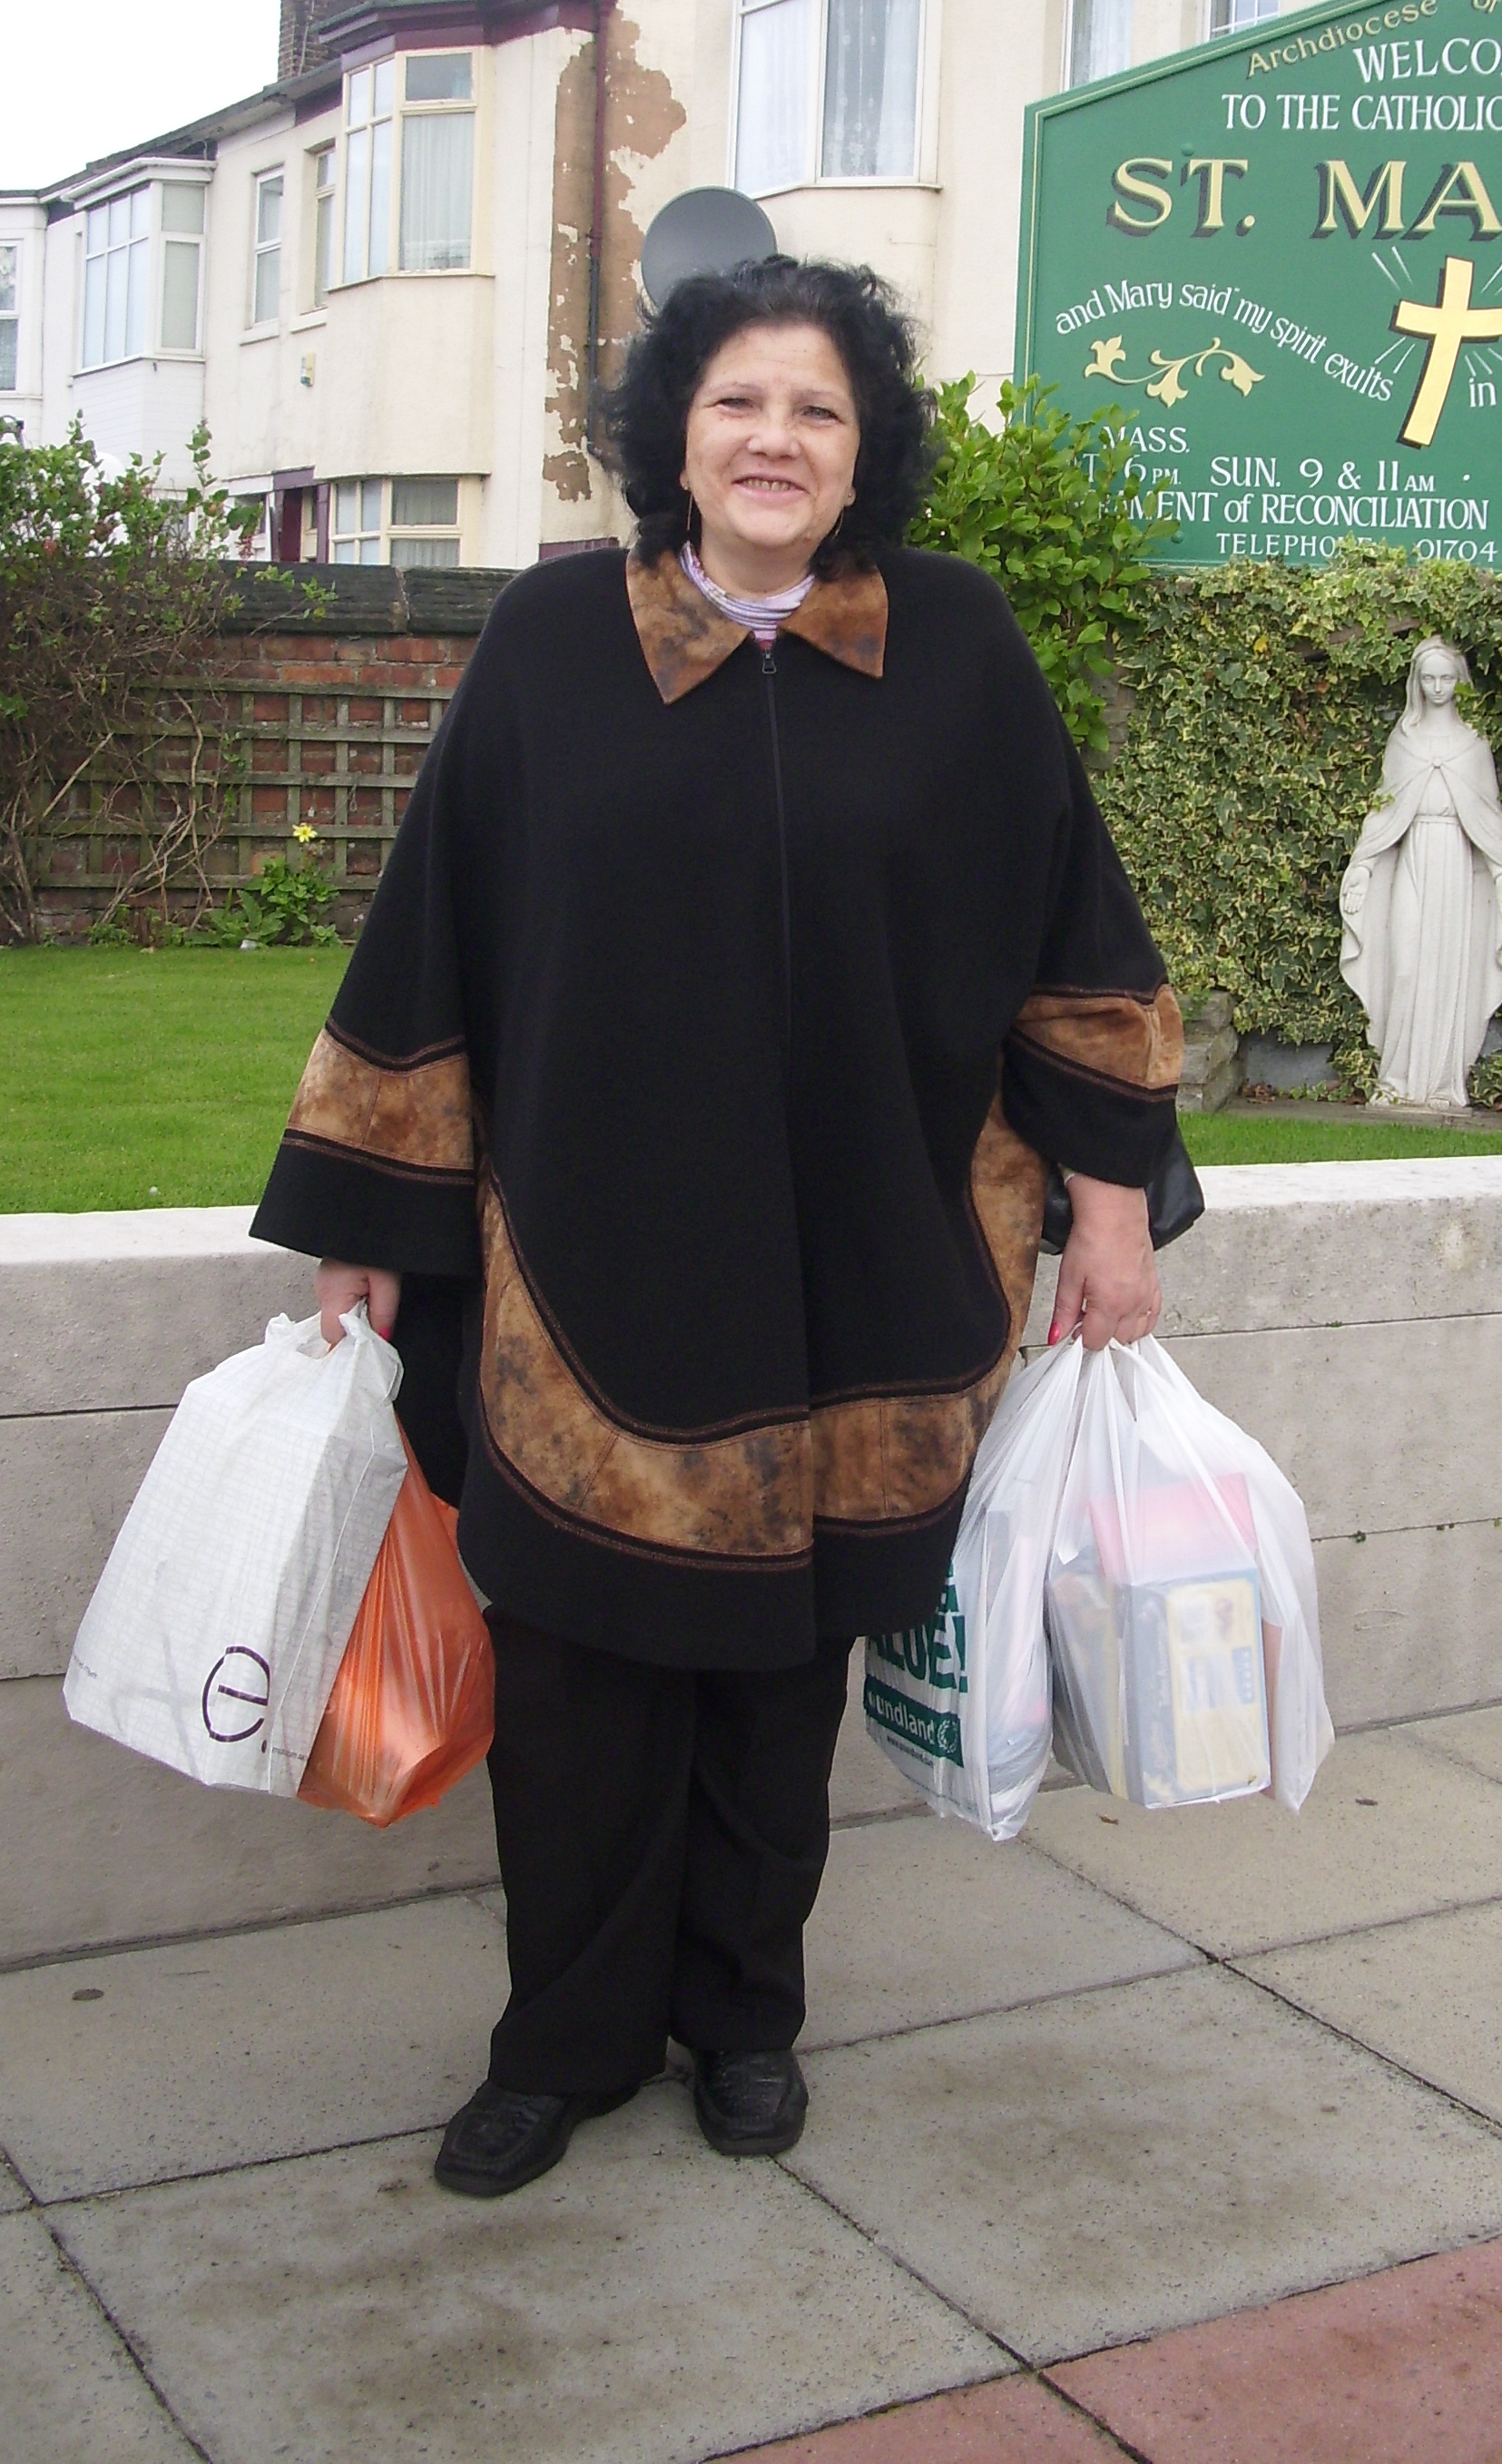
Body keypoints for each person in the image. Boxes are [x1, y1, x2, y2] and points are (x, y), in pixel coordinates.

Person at [251, 258, 1181, 2198]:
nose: (776, 439)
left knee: (779, 1678)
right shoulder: (550, 643)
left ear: (865, 450)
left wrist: (1112, 1215)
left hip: (869, 1261)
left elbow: (1071, 940)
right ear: (674, 435)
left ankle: (746, 2019)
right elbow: (432, 935)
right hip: (590, 1267)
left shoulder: (956, 644)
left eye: (818, 409)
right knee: (578, 1682)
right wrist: (366, 1217)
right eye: (739, 401)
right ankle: (562, 2045)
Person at [1338, 636, 1502, 1108]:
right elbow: (1383, 809)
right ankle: (1396, 1079)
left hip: (1456, 862)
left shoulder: (1472, 746)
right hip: (1413, 855)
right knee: (1405, 966)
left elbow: (1489, 815)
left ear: (1458, 681)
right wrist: (1363, 866)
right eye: (1429, 679)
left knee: (1447, 969)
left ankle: (1441, 1082)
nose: (1437, 687)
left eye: (1445, 678)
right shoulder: (1404, 741)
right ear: (1416, 683)